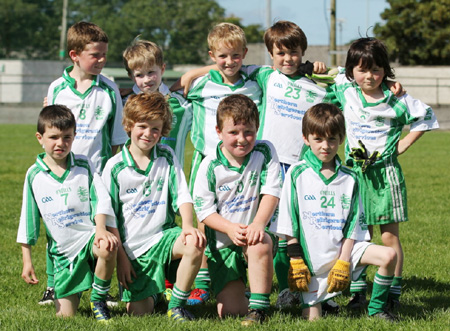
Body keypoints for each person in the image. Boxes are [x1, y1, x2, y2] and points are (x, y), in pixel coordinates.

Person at [331, 37, 439, 310]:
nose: (370, 76)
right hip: (353, 175)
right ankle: (358, 293)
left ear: (385, 70)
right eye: (362, 69)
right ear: (351, 71)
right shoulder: (345, 89)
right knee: (356, 234)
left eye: (377, 69)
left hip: (385, 176)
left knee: (389, 237)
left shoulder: (396, 99)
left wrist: (403, 144)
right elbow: (321, 76)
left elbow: (426, 117)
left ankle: (392, 292)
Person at [270, 103, 399, 321]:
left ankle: (377, 310)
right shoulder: (296, 173)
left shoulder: (351, 177)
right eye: (318, 139)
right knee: (313, 321)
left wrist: (344, 261)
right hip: (311, 262)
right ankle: (320, 301)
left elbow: (353, 225)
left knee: (389, 255)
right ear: (306, 138)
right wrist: (296, 259)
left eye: (332, 139)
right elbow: (288, 221)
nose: (325, 146)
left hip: (343, 252)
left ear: (341, 139)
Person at [42, 21, 127, 306]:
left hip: (98, 174)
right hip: (61, 173)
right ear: (74, 55)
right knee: (58, 227)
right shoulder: (57, 88)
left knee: (100, 229)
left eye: (104, 54)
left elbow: (116, 138)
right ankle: (54, 285)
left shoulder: (110, 90)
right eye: (95, 55)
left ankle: (102, 288)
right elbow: (48, 129)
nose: (102, 60)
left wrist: (112, 174)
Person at [101, 92, 205, 321]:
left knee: (194, 241)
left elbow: (183, 196)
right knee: (140, 313)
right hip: (133, 251)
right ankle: (158, 294)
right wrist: (122, 259)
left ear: (163, 130)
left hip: (164, 238)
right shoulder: (114, 167)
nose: (149, 134)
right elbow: (109, 219)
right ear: (129, 125)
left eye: (155, 129)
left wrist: (188, 226)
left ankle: (176, 305)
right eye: (142, 126)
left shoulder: (166, 156)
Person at [17, 105, 119, 321]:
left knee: (107, 245)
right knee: (65, 318)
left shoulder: (84, 164)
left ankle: (98, 299)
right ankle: (71, 287)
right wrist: (27, 261)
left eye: (67, 137)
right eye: (53, 137)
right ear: (40, 137)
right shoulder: (34, 175)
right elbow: (28, 220)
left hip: (89, 240)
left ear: (74, 136)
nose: (60, 143)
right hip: (64, 255)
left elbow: (101, 198)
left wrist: (100, 229)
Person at [192, 94, 281, 326]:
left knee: (259, 241)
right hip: (223, 244)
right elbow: (203, 212)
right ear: (219, 131)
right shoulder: (209, 165)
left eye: (248, 132)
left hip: (254, 235)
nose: (242, 139)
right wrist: (230, 229)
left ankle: (259, 308)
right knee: (230, 311)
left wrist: (259, 223)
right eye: (233, 132)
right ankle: (243, 291)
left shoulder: (265, 151)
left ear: (257, 128)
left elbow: (272, 191)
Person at [122, 39, 192, 168]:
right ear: (131, 76)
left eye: (151, 72)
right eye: (139, 75)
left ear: (163, 69)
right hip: (133, 181)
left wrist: (192, 73)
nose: (147, 79)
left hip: (171, 181)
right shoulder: (122, 104)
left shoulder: (182, 105)